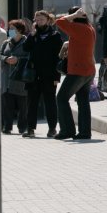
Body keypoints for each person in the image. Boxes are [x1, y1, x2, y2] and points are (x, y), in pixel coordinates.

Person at [54, 7, 97, 140]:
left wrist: (73, 15)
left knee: (61, 98)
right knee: (83, 101)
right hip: (88, 70)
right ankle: (85, 132)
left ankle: (67, 130)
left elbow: (59, 22)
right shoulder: (89, 27)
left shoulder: (78, 27)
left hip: (78, 71)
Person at [21, 10, 64, 138]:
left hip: (49, 74)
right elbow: (26, 48)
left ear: (47, 20)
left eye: (41, 20)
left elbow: (59, 58)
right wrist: (31, 35)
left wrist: (57, 77)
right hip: (33, 74)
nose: (39, 22)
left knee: (50, 102)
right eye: (37, 20)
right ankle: (30, 129)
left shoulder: (55, 35)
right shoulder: (33, 35)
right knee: (31, 102)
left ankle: (52, 128)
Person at [0, 20, 30, 134]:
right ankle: (7, 127)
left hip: (21, 78)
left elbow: (29, 56)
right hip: (7, 78)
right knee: (7, 104)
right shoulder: (5, 43)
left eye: (13, 29)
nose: (10, 31)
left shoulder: (26, 42)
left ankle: (22, 127)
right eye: (9, 29)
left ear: (20, 30)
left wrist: (18, 59)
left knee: (23, 105)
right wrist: (6, 59)